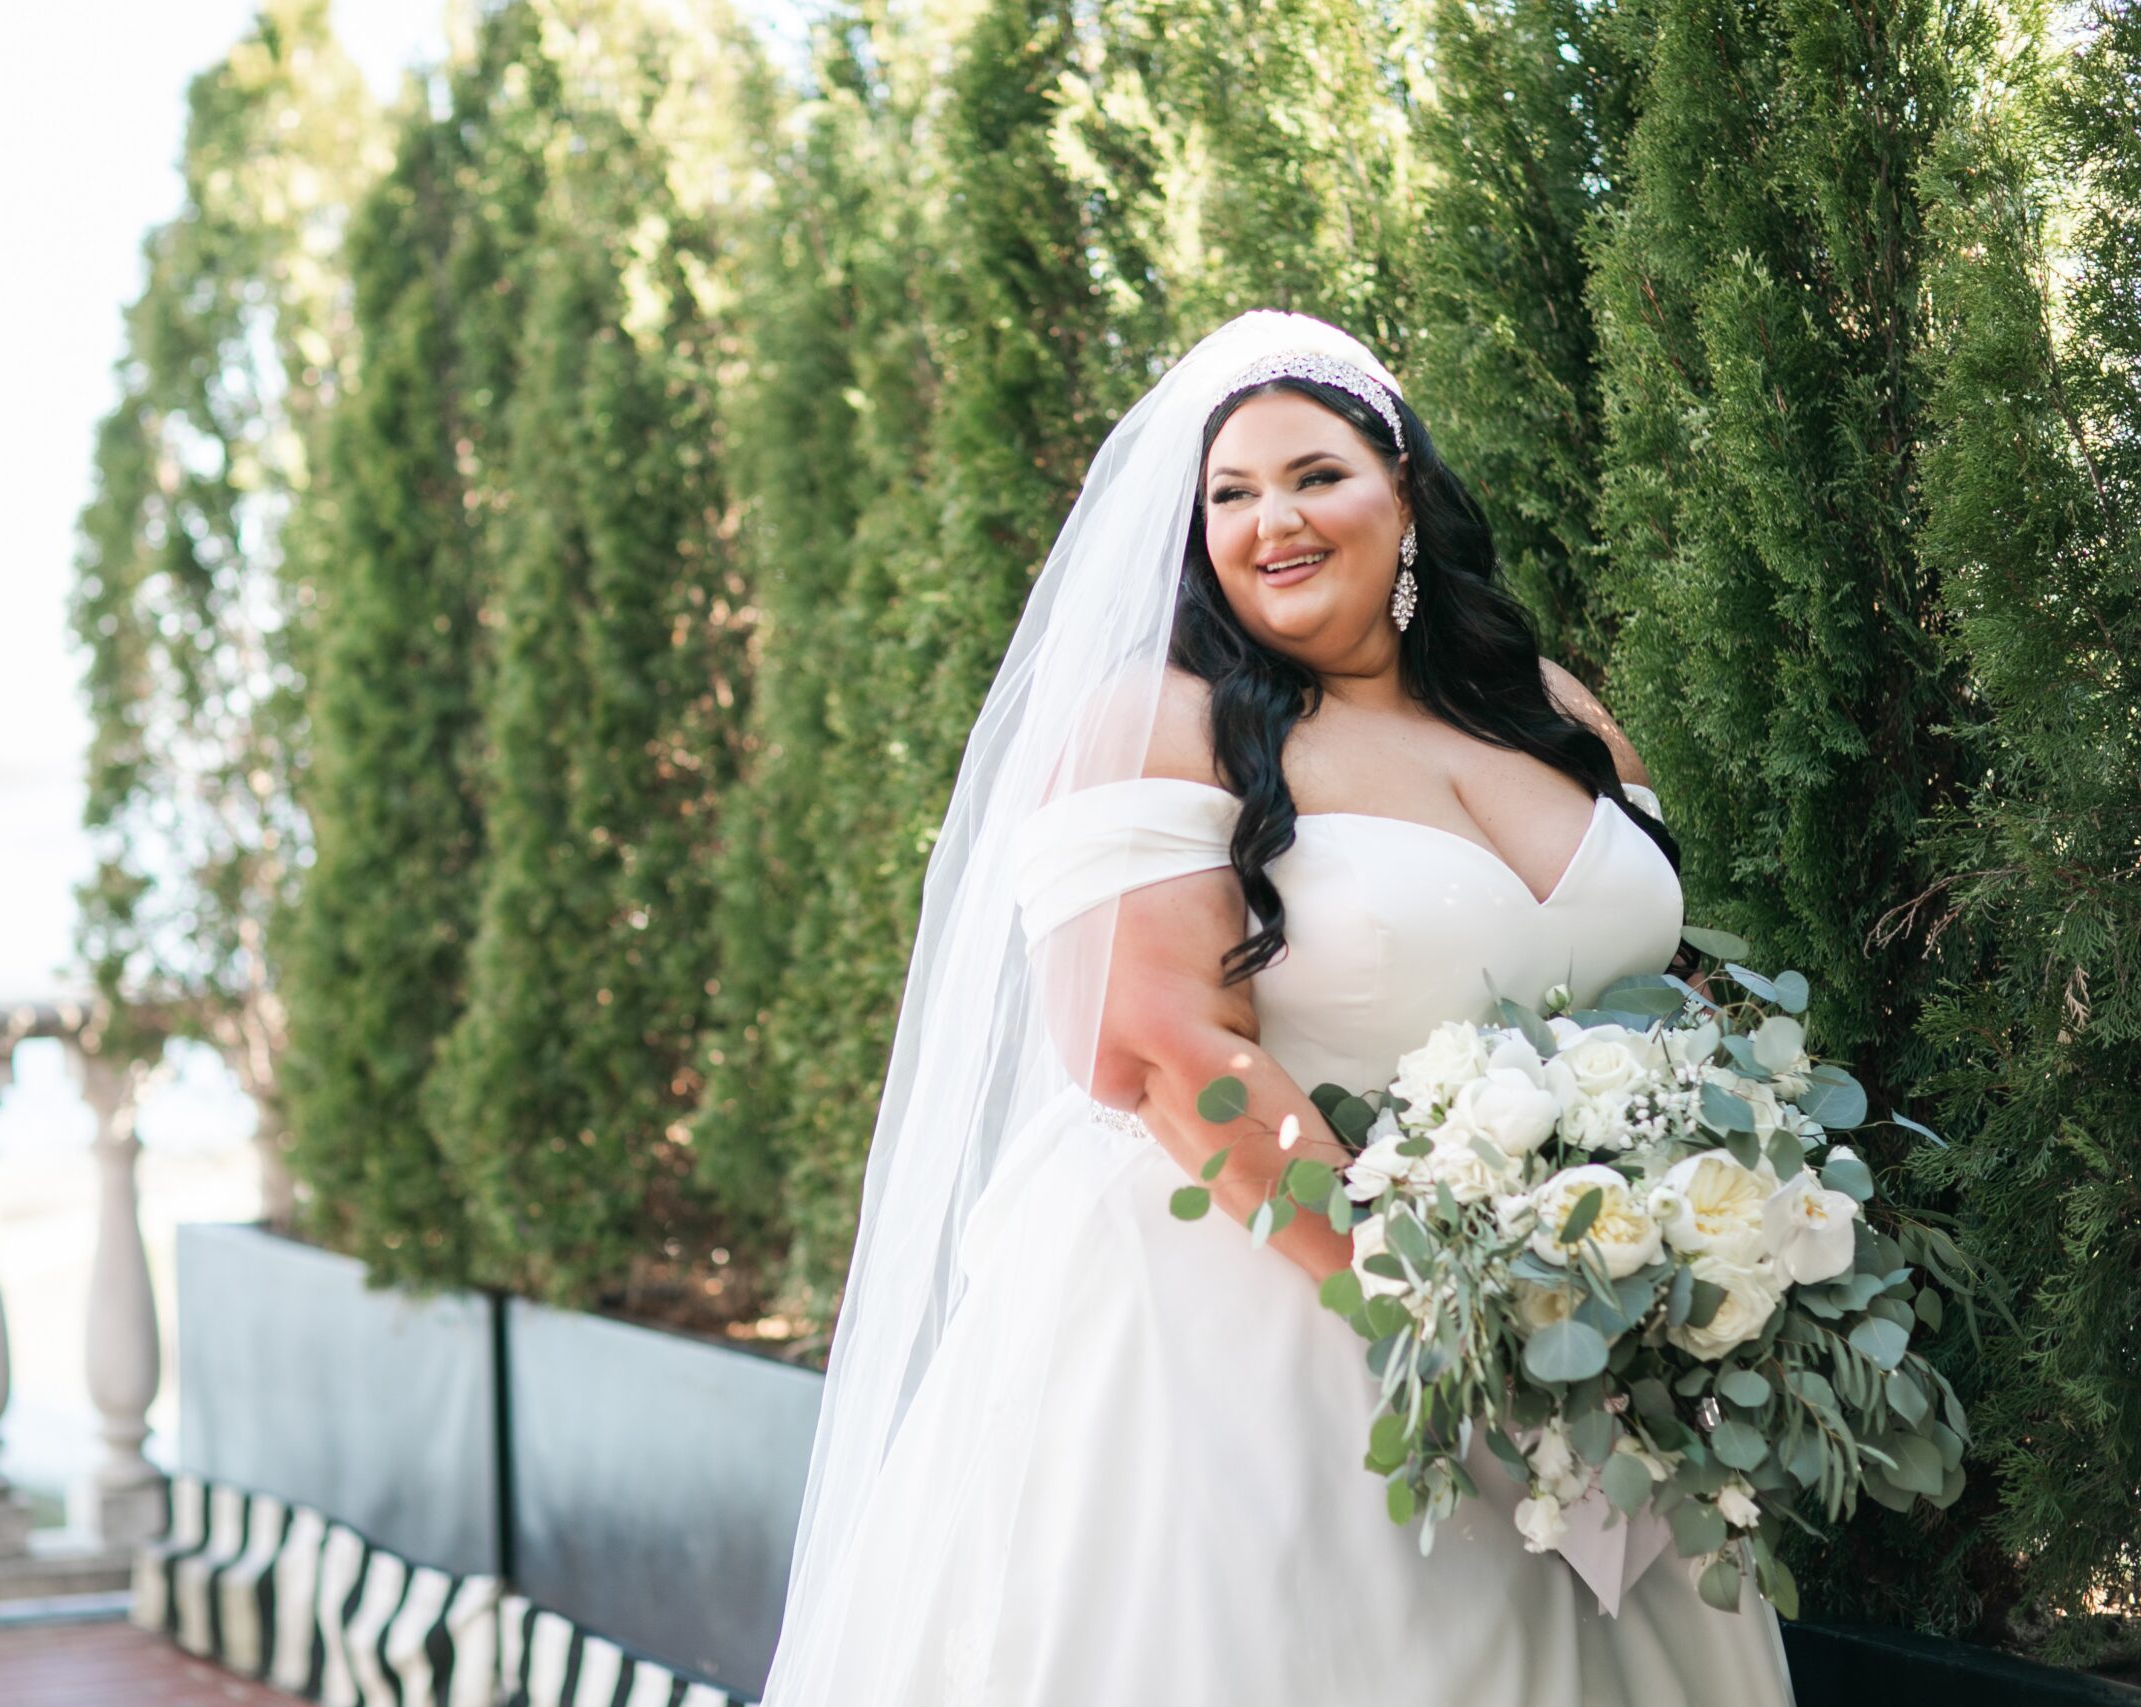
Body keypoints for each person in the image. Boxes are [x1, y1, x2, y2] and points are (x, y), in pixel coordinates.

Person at [758, 312, 1798, 1704]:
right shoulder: (1162, 722)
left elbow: (1653, 984)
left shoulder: (1551, 711)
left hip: (1599, 1341)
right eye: (1230, 496)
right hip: (1274, 1333)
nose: (1272, 521)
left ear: (1406, 492)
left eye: (1315, 474)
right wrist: (1451, 1333)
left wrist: (1682, 1240)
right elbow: (1161, 1055)